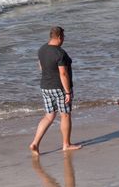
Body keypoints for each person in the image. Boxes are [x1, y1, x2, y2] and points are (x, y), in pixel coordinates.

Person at [30, 26, 82, 154]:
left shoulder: (42, 49)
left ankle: (35, 143)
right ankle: (66, 144)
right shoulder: (60, 53)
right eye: (63, 37)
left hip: (45, 86)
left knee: (49, 116)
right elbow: (63, 74)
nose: (64, 40)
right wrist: (68, 92)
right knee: (65, 115)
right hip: (59, 88)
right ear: (59, 37)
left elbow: (41, 66)